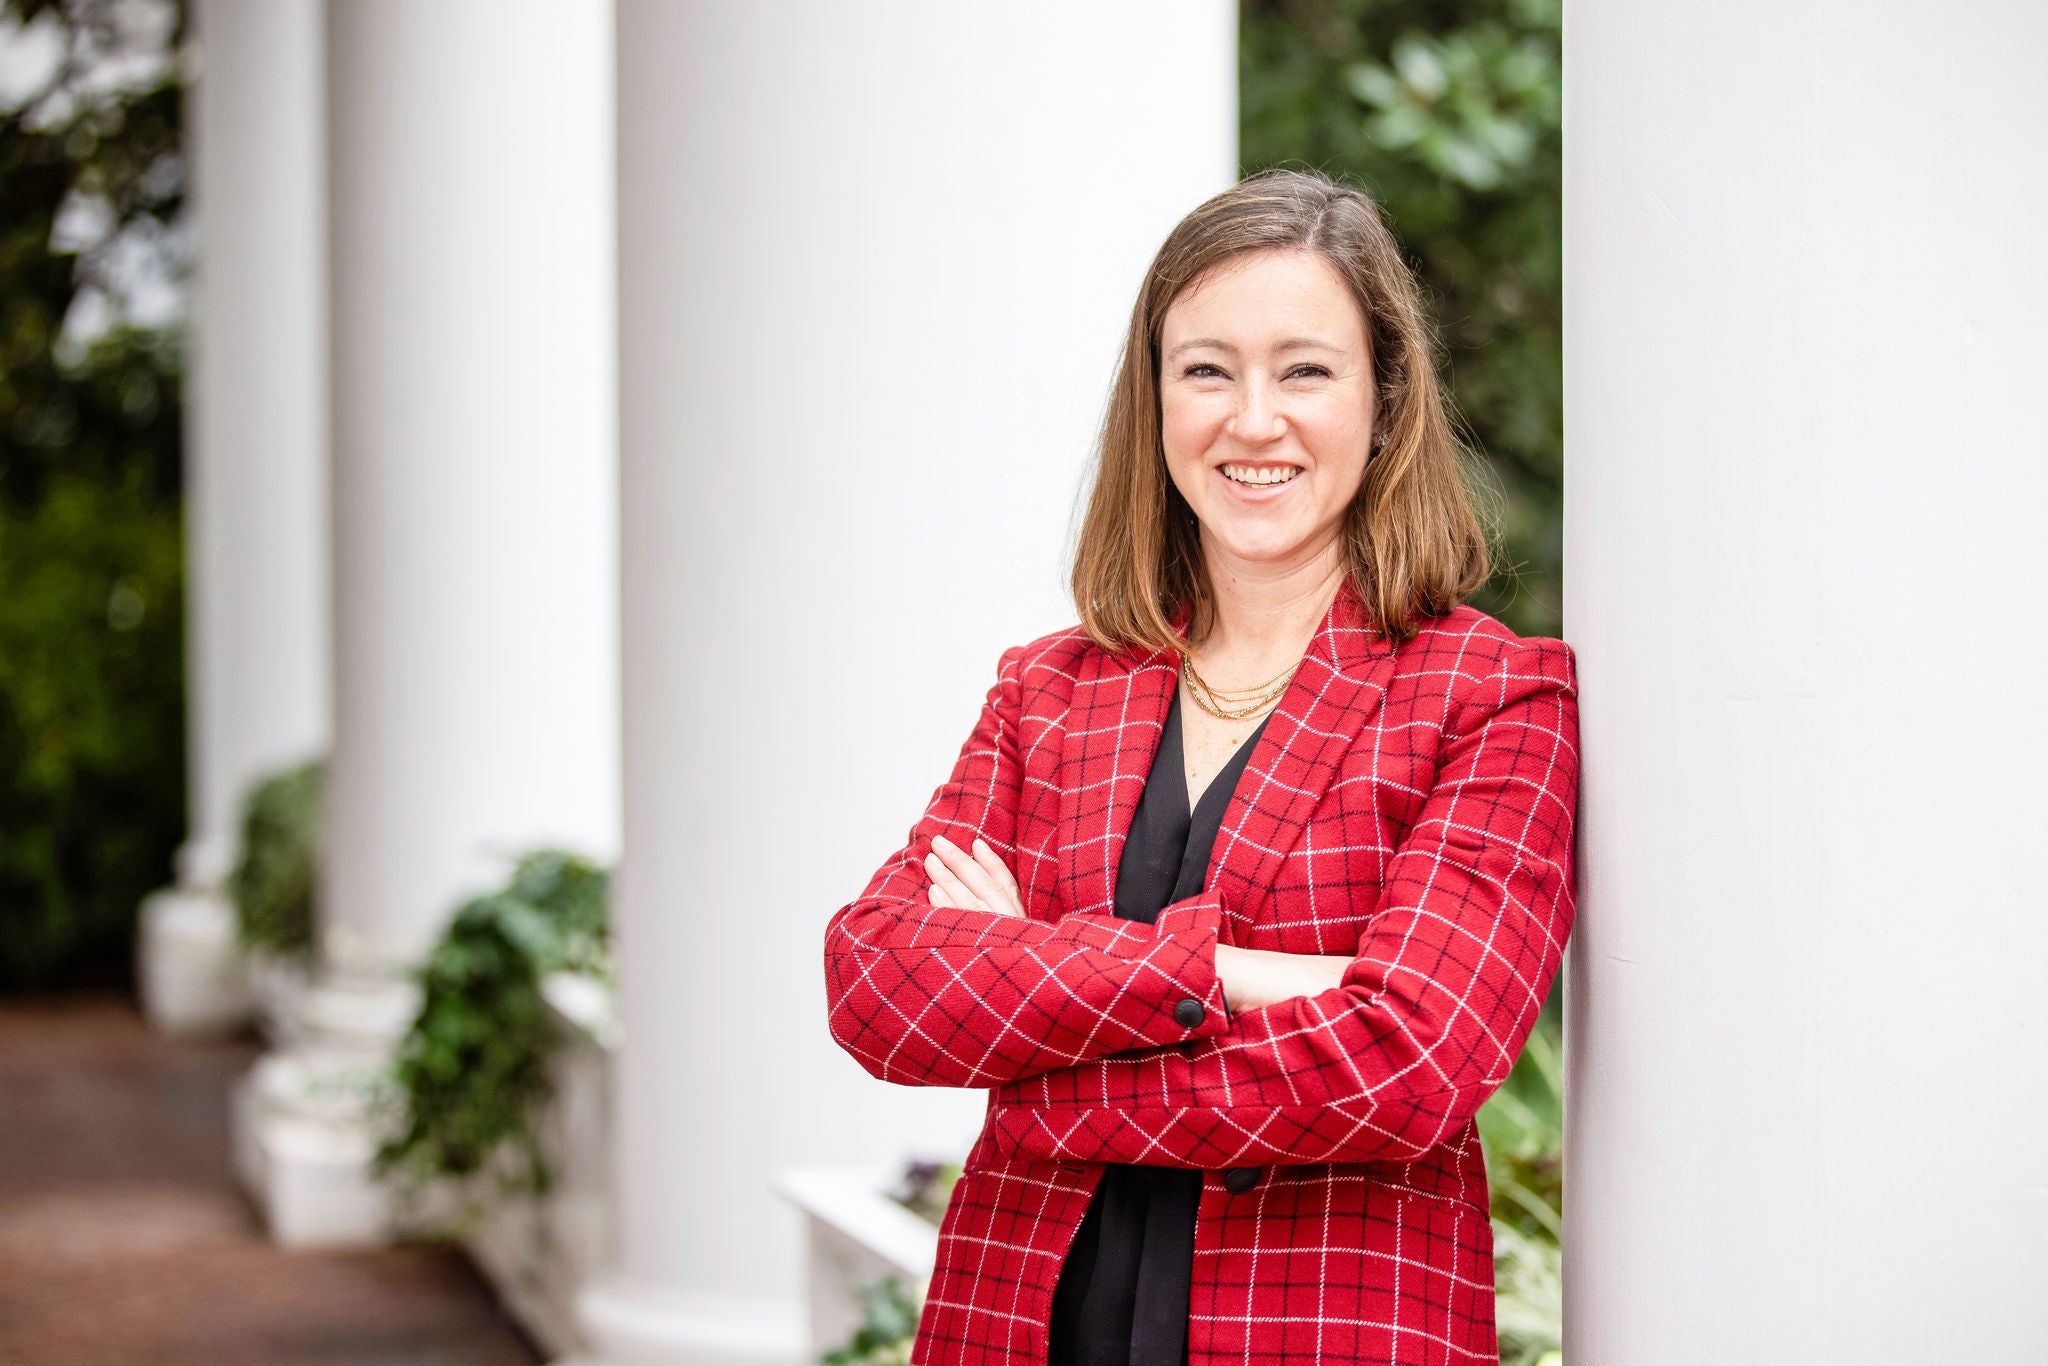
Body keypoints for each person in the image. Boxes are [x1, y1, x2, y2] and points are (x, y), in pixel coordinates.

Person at [822, 168, 1579, 1366]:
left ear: (1383, 400)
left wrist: (1037, 1042)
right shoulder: (1052, 688)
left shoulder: (1488, 698)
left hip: (1322, 1330)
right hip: (1019, 1323)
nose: (1252, 418)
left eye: (1303, 369)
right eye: (1207, 369)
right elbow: (878, 984)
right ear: (1157, 398)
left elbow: (1417, 1057)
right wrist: (1230, 974)